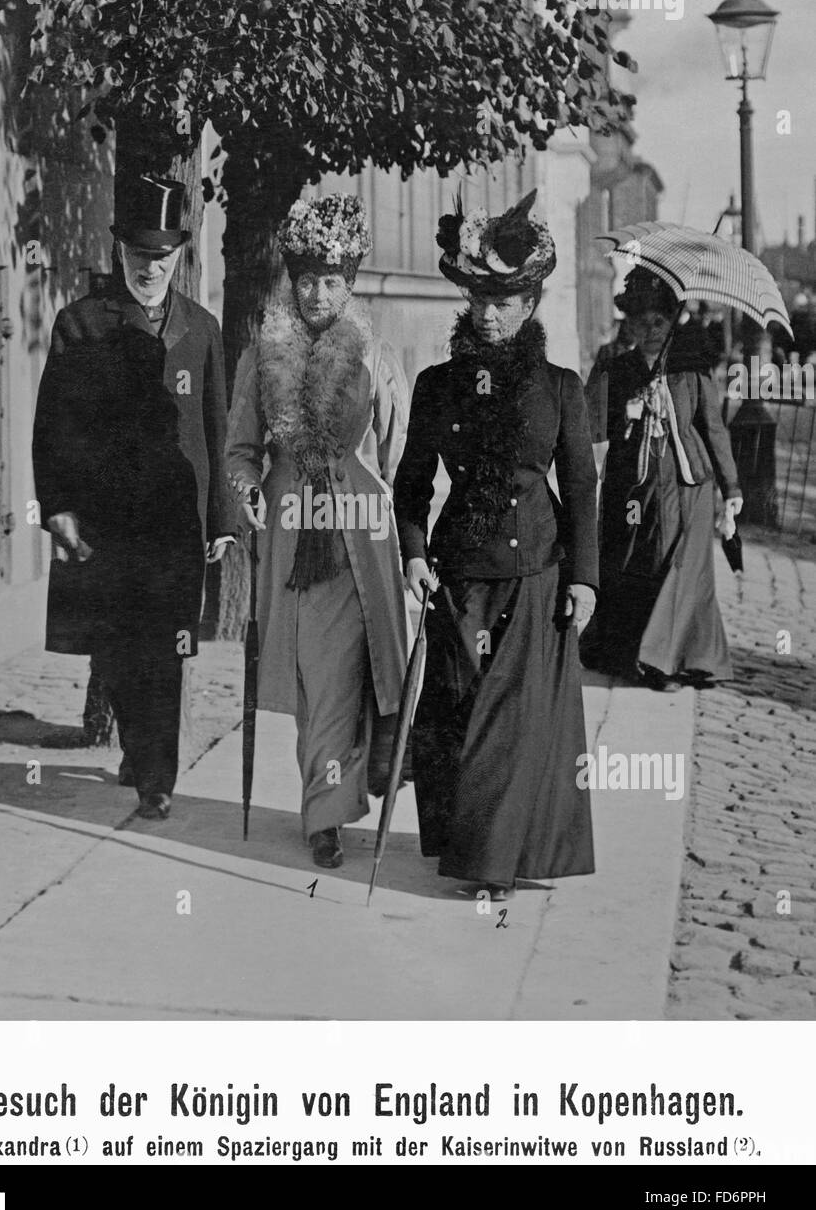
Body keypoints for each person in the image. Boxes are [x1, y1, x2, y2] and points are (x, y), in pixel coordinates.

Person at [392, 190, 598, 899]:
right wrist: (414, 554)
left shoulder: (561, 390)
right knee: (458, 713)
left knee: (509, 728)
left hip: (535, 574)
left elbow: (581, 490)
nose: (490, 312)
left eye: (505, 300)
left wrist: (585, 580)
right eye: (479, 297)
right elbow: (411, 483)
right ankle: (473, 845)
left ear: (531, 304)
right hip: (459, 575)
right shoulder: (437, 387)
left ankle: (491, 867)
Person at [226, 193, 410, 869]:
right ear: (290, 279)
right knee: (318, 679)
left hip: (361, 535)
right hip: (292, 539)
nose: (316, 293)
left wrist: (405, 529)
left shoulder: (375, 358)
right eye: (305, 279)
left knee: (353, 676)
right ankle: (326, 811)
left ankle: (333, 803)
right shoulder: (260, 357)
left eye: (331, 280)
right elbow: (240, 450)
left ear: (350, 283)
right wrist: (247, 490)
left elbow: (398, 455)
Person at [32, 176, 207, 819]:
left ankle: (154, 771)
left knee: (169, 647)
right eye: (138, 255)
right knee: (123, 645)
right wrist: (59, 508)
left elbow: (212, 427)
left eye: (162, 256)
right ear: (118, 252)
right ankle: (144, 755)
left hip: (176, 523)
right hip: (108, 521)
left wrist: (220, 522)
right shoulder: (78, 325)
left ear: (178, 256)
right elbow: (53, 424)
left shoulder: (202, 328)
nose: (150, 267)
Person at [581, 267, 743, 691]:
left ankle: (673, 662)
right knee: (637, 566)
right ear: (628, 325)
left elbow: (713, 429)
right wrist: (626, 414)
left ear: (673, 323)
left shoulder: (691, 369)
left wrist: (733, 489)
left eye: (659, 322)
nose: (650, 331)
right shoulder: (615, 369)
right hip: (633, 489)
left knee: (679, 569)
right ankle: (632, 653)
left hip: (688, 485)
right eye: (641, 323)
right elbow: (590, 428)